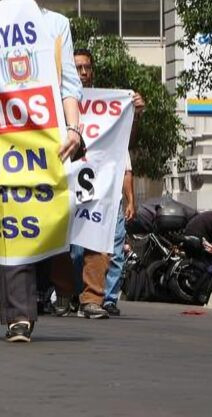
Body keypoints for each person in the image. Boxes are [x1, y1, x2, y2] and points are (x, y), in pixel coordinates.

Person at [0, 0, 84, 343]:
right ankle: (19, 317)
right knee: (12, 224)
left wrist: (74, 130)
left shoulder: (57, 25)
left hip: (47, 143)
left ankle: (26, 304)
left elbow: (69, 85)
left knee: (39, 226)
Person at [72, 48, 144, 317]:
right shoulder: (58, 99)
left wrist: (135, 113)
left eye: (86, 68)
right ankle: (67, 294)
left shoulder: (108, 104)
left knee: (102, 243)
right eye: (77, 68)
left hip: (100, 188)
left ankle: (97, 298)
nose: (83, 73)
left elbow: (127, 146)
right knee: (71, 249)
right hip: (68, 184)